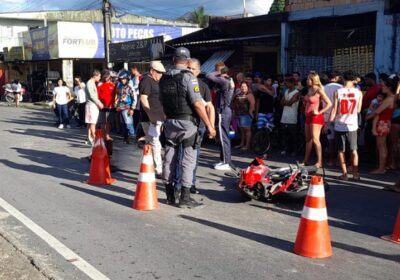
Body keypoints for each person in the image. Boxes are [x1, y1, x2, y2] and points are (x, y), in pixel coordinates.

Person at [160, 47, 216, 208]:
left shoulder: (164, 78)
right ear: (188, 60)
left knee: (169, 158)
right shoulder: (189, 78)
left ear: (173, 60)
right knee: (188, 160)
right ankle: (185, 198)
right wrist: (209, 126)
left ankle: (170, 195)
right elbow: (198, 104)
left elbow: (163, 103)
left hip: (170, 122)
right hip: (187, 124)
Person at [329, 70, 363, 180]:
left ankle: (344, 174)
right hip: (352, 124)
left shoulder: (338, 92)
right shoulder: (359, 93)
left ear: (343, 79)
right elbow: (358, 110)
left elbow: (334, 109)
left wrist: (329, 122)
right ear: (353, 80)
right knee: (354, 150)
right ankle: (356, 174)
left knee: (340, 150)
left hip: (340, 124)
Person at [139, 60, 166, 177]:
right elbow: (144, 99)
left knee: (155, 142)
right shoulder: (146, 81)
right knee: (155, 143)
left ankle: (154, 165)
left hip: (159, 118)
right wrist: (151, 116)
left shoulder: (158, 82)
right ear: (152, 71)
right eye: (158, 72)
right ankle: (158, 169)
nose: (160, 75)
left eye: (161, 73)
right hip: (150, 119)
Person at [366, 76, 397, 174]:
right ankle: (382, 166)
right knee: (382, 146)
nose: (382, 88)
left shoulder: (389, 99)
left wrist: (368, 117)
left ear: (389, 87)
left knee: (381, 146)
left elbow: (377, 112)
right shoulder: (391, 97)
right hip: (385, 122)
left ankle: (381, 168)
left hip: (382, 123)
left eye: (383, 86)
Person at [206, 65, 235, 171]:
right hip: (225, 110)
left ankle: (226, 162)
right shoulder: (228, 80)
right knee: (223, 136)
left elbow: (209, 75)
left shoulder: (224, 81)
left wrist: (217, 72)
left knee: (223, 137)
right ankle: (224, 160)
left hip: (223, 111)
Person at [302, 71, 332, 168]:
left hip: (316, 117)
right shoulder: (309, 89)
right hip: (308, 116)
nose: (307, 80)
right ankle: (305, 160)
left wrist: (319, 112)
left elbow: (329, 103)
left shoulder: (319, 90)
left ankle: (319, 161)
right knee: (308, 140)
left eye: (309, 79)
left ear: (314, 80)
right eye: (307, 79)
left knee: (315, 139)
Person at [323, 71, 343, 165]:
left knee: (330, 140)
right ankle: (340, 161)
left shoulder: (323, 88)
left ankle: (330, 160)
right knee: (340, 140)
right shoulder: (341, 88)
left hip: (327, 116)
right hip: (339, 116)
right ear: (336, 78)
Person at [232, 81, 255, 150]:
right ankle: (242, 144)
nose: (243, 88)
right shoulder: (239, 94)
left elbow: (252, 104)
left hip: (246, 115)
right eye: (242, 86)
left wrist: (250, 112)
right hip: (239, 114)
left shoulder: (250, 95)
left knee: (247, 130)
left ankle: (247, 145)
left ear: (248, 87)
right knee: (242, 130)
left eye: (245, 86)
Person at [280, 76, 299, 156]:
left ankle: (294, 150)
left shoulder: (297, 92)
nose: (285, 84)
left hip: (292, 116)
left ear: (292, 83)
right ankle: (286, 149)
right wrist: (286, 102)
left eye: (287, 82)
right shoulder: (286, 91)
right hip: (284, 116)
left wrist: (286, 102)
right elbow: (281, 102)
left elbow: (290, 102)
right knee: (285, 134)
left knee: (293, 135)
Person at [115, 70, 136, 144]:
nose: (123, 80)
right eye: (121, 79)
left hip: (127, 108)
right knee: (123, 124)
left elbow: (134, 98)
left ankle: (132, 138)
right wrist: (117, 106)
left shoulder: (130, 87)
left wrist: (132, 108)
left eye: (124, 79)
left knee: (128, 124)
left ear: (127, 78)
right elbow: (119, 97)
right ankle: (126, 138)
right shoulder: (120, 86)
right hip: (120, 108)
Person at [97, 70, 116, 141]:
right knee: (103, 122)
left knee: (108, 122)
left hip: (110, 106)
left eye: (107, 77)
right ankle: (102, 135)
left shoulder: (113, 85)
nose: (105, 78)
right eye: (104, 77)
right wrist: (99, 104)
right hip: (102, 106)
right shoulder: (99, 84)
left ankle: (107, 135)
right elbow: (97, 95)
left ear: (109, 77)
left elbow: (116, 95)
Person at [85, 70, 103, 144]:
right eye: (99, 76)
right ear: (95, 76)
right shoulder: (90, 83)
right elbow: (92, 95)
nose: (100, 78)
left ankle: (89, 138)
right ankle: (94, 138)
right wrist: (99, 103)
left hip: (92, 105)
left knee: (90, 122)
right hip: (91, 105)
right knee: (93, 122)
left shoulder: (92, 83)